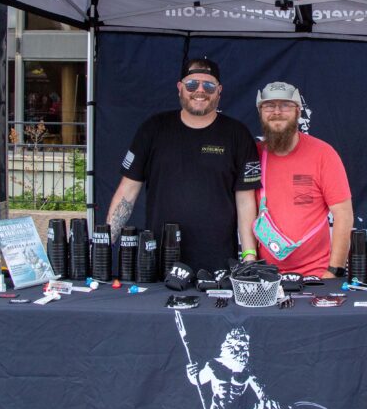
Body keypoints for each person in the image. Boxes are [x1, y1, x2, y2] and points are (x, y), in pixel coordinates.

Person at [106, 57, 260, 272]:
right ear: (180, 87)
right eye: (192, 84)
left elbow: (245, 201)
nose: (200, 90)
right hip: (159, 259)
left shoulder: (238, 134)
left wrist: (249, 257)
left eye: (208, 85)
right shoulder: (153, 129)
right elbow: (127, 192)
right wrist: (104, 246)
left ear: (219, 90)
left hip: (218, 262)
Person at [253, 81, 353, 278]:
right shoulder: (252, 155)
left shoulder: (323, 154)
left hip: (315, 276)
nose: (277, 112)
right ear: (260, 112)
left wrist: (334, 270)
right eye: (269, 106)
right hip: (265, 276)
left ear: (298, 111)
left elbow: (343, 214)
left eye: (285, 105)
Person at [185, 327, 280, 409]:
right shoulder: (213, 365)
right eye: (239, 346)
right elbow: (197, 381)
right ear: (230, 346)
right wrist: (191, 373)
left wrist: (268, 402)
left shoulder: (248, 369)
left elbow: (261, 392)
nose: (244, 350)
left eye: (246, 347)